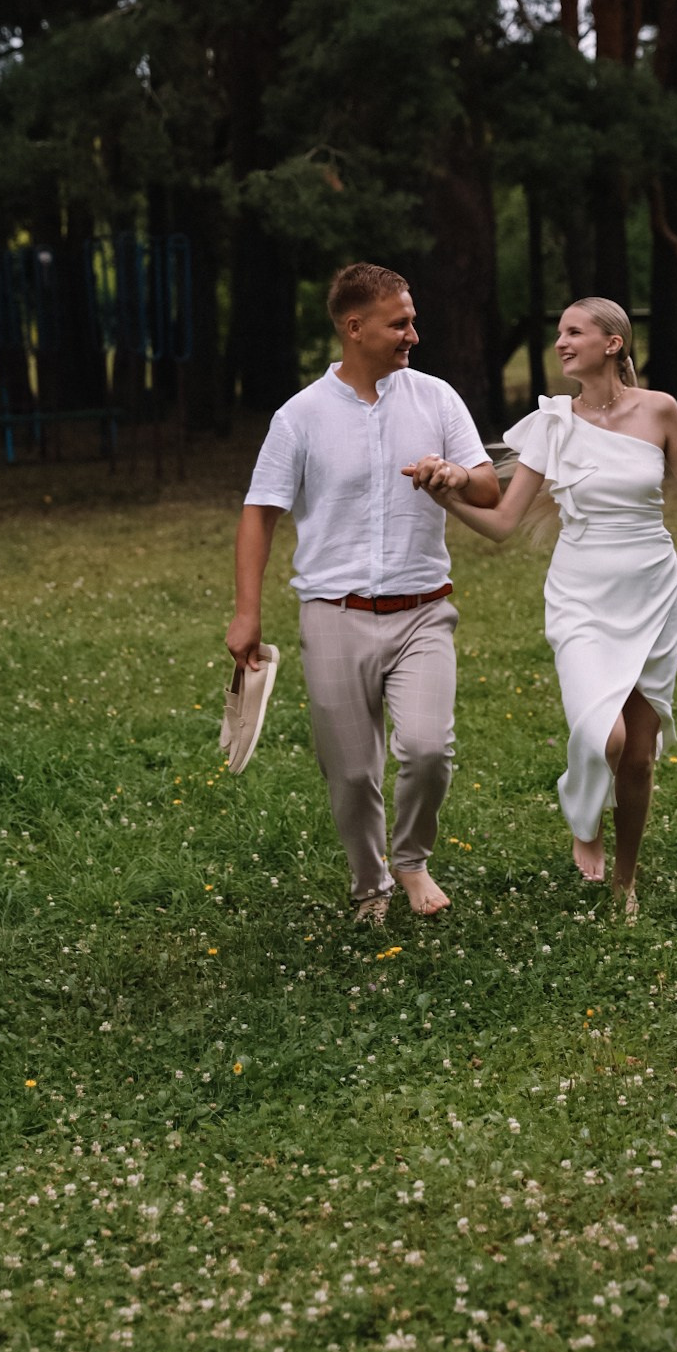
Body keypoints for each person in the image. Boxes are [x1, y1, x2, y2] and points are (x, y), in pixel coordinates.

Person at [412, 298, 677, 916]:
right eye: (558, 332)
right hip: (580, 595)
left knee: (639, 754)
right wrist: (445, 497)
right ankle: (582, 806)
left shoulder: (660, 410)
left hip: (651, 589)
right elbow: (505, 523)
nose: (561, 343)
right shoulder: (551, 424)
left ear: (613, 343)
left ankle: (625, 879)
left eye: (574, 332)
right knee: (605, 734)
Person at [225, 263, 499, 925]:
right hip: (334, 616)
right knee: (351, 774)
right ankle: (368, 883)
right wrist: (247, 612)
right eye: (399, 322)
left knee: (429, 750)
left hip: (423, 612)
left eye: (412, 320)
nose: (413, 333)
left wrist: (454, 475)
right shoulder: (300, 418)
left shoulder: (436, 399)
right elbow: (260, 513)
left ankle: (410, 860)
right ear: (355, 327)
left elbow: (491, 490)